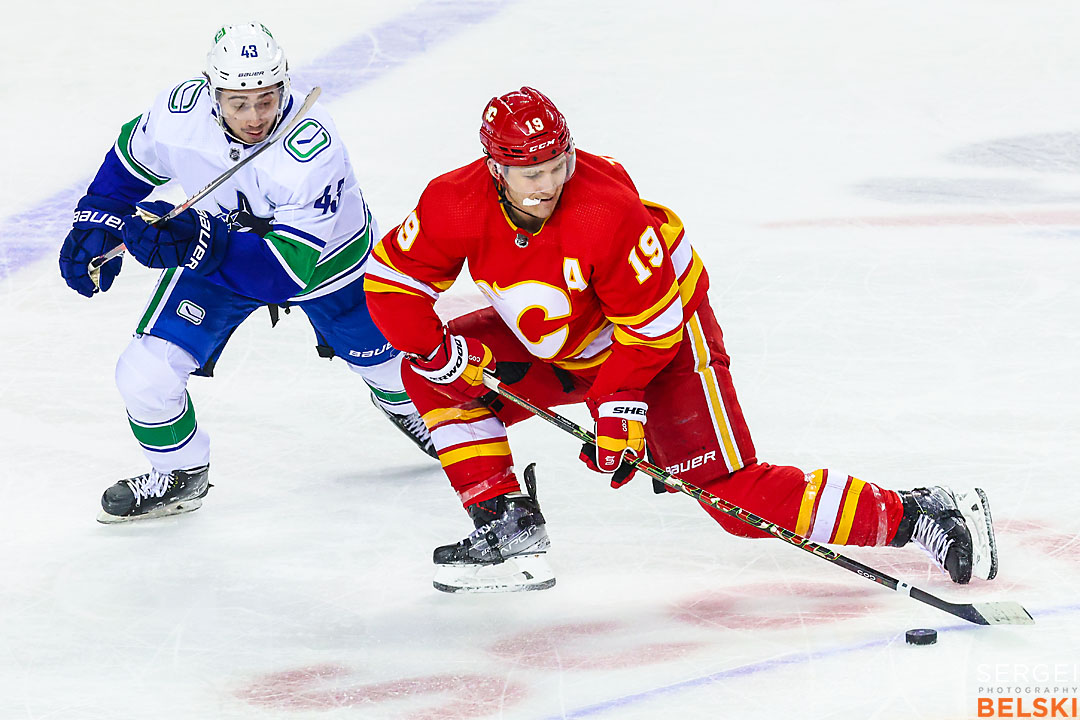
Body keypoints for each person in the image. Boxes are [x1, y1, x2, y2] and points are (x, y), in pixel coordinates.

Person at [363, 87, 999, 593]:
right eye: (532, 173)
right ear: (494, 168)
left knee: (733, 500)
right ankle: (504, 521)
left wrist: (618, 411)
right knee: (429, 371)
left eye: (558, 165)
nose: (549, 184)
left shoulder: (605, 208)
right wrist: (438, 349)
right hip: (566, 341)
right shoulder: (455, 201)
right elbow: (392, 283)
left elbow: (652, 329)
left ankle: (920, 514)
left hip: (667, 343)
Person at [58, 22, 434, 524]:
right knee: (144, 375)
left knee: (391, 372)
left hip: (329, 268)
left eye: (266, 99)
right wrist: (96, 220)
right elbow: (129, 164)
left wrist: (194, 242)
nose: (255, 116)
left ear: (284, 87)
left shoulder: (311, 149)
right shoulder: (178, 113)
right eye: (238, 102)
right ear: (211, 94)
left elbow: (284, 273)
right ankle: (179, 473)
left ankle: (407, 406)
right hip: (218, 256)